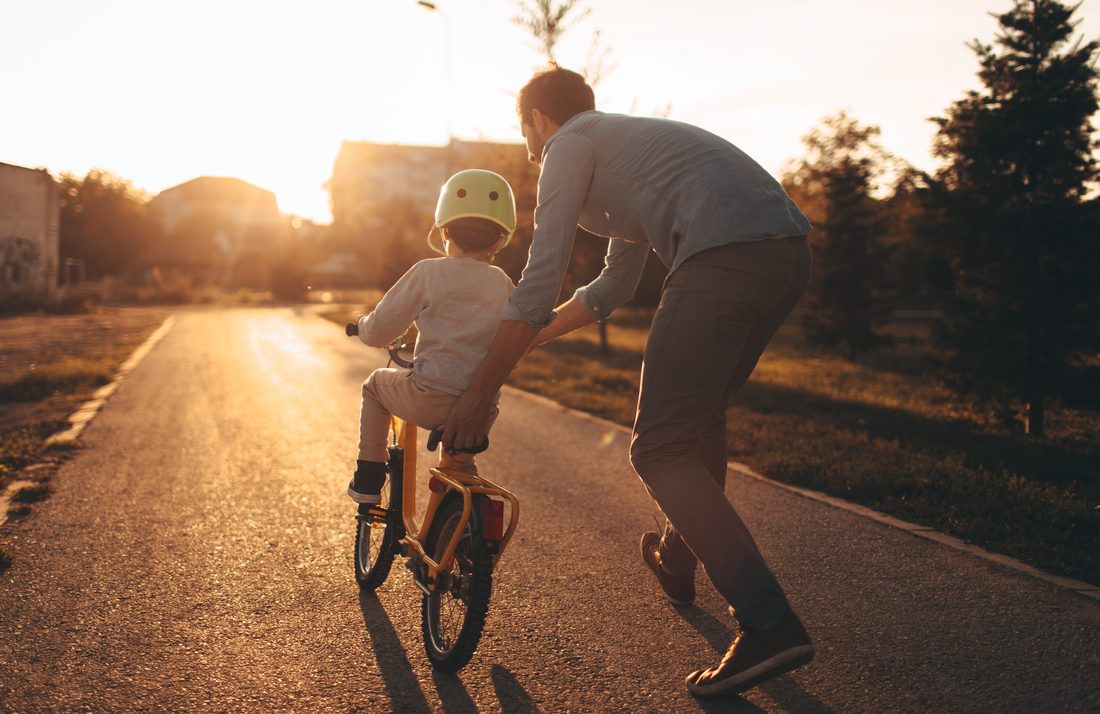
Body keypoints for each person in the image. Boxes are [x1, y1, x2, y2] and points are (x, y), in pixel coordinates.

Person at [440, 65, 815, 698]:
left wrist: (480, 391)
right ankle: (678, 556)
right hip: (786, 253)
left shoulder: (568, 144)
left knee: (658, 448)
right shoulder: (623, 148)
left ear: (538, 119)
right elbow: (611, 288)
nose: (527, 147)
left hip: (722, 256)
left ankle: (768, 621)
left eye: (524, 129)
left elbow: (540, 280)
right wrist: (522, 341)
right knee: (698, 425)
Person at [347, 169, 516, 507]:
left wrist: (363, 326)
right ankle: (460, 522)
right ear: (500, 239)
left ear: (444, 230)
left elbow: (380, 331)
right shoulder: (502, 282)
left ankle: (369, 477)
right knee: (460, 469)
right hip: (481, 411)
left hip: (429, 398)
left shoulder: (428, 272)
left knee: (375, 386)